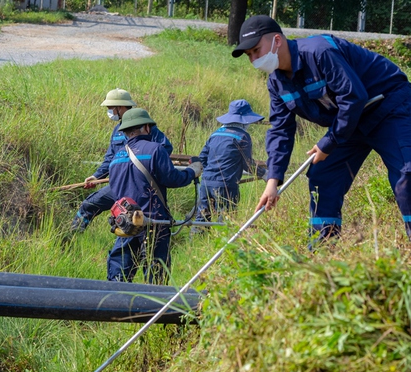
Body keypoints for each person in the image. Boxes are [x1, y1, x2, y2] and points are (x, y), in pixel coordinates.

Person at [232, 15, 411, 243]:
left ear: (277, 40)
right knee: (322, 176)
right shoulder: (276, 83)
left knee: (407, 174)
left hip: (388, 106)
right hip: (349, 122)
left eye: (256, 50)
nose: (254, 59)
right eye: (249, 55)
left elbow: (353, 96)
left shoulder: (319, 52)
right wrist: (272, 181)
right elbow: (280, 130)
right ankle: (322, 250)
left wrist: (328, 143)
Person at [107, 108, 202, 284]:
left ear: (126, 131)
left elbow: (115, 190)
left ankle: (116, 309)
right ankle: (153, 310)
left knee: (118, 279)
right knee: (156, 278)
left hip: (125, 224)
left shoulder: (116, 158)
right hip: (154, 223)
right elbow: (172, 179)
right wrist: (192, 172)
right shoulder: (156, 150)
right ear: (147, 128)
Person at [70, 88, 173, 233]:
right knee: (89, 204)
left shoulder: (146, 126)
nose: (109, 111)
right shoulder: (117, 131)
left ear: (121, 107)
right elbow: (110, 158)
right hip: (119, 184)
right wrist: (96, 176)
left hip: (141, 186)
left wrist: (140, 165)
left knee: (139, 224)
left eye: (111, 108)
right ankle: (71, 238)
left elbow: (164, 148)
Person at [192, 99, 267, 233]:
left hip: (206, 182)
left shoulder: (215, 134)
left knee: (201, 220)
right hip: (226, 185)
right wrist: (264, 174)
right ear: (245, 120)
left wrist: (211, 171)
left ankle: (194, 248)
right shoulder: (242, 136)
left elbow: (202, 157)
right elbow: (248, 165)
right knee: (226, 222)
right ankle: (224, 251)